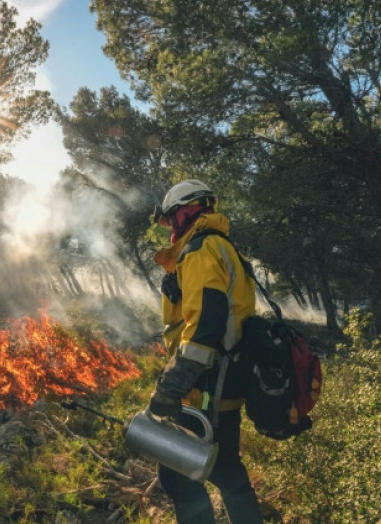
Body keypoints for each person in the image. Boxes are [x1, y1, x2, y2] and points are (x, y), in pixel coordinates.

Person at [148, 179, 264, 524]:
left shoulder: (200, 250)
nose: (169, 230)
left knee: (178, 475)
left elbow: (204, 330)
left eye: (170, 220)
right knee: (225, 468)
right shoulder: (222, 246)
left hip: (205, 386)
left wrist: (171, 387)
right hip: (226, 381)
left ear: (185, 210)